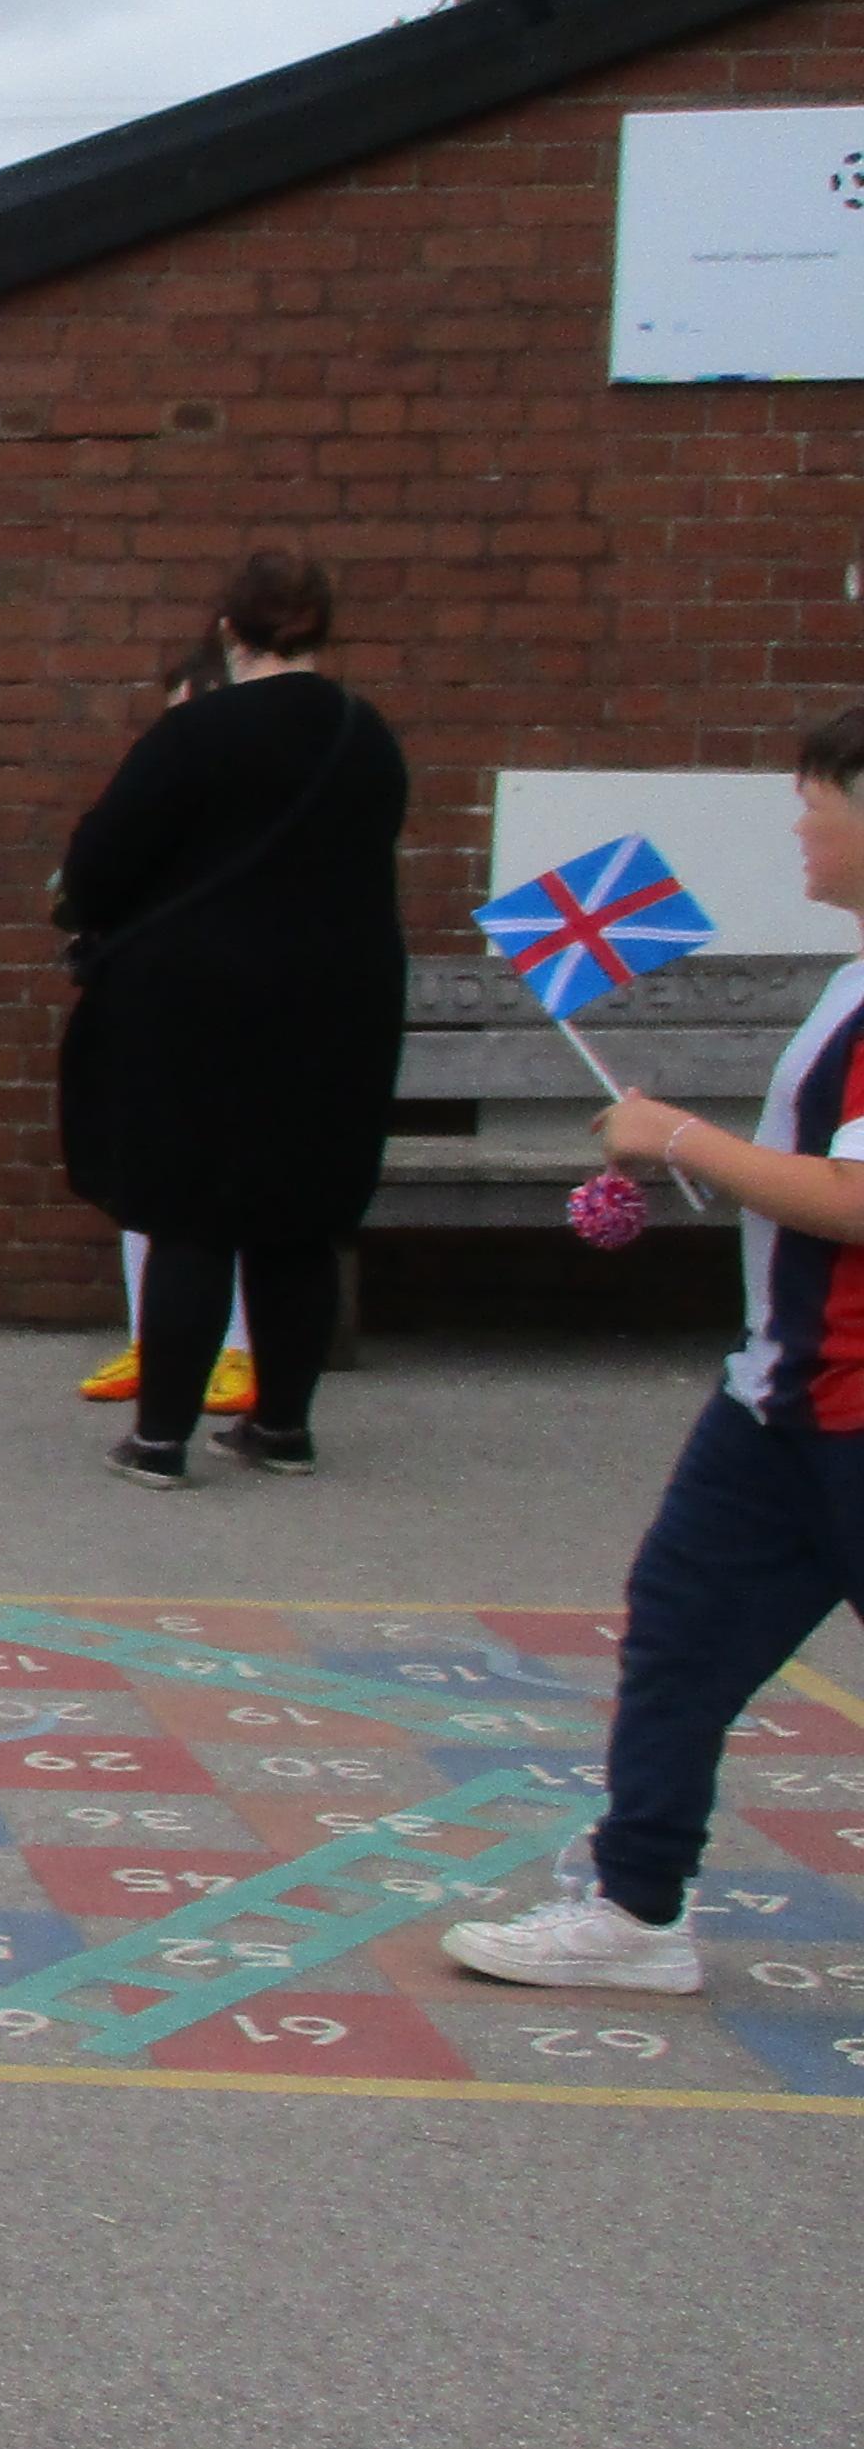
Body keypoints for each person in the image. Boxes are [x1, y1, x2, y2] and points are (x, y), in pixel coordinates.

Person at [448, 704, 864, 1997]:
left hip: (855, 1406)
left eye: (816, 799)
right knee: (679, 1632)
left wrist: (677, 1138)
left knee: (680, 1632)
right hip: (776, 1397)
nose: (798, 824)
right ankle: (636, 1912)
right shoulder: (852, 978)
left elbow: (856, 1200)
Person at [53, 549, 405, 1487]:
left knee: (191, 1215)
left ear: (227, 631)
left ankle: (160, 1439)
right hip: (340, 1004)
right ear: (325, 630)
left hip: (200, 1007)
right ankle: (281, 1428)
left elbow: (98, 866)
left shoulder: (197, 734)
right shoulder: (366, 737)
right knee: (301, 1215)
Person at [77, 637, 254, 1418]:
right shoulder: (166, 791)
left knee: (226, 1186)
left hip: (239, 1010)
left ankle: (239, 1349)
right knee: (143, 1174)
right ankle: (150, 1340)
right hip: (162, 1004)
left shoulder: (257, 802)